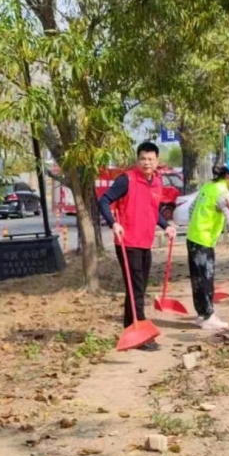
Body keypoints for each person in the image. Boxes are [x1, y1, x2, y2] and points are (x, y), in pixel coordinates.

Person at [97, 141, 178, 350]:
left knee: (136, 288)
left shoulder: (157, 182)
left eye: (150, 159)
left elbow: (153, 211)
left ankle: (130, 329)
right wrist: (113, 223)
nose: (146, 162)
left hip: (145, 242)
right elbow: (103, 201)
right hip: (127, 242)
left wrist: (165, 225)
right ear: (137, 159)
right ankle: (140, 334)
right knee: (137, 288)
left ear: (157, 161)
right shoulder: (127, 180)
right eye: (143, 158)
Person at [185, 160, 229, 331]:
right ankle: (208, 316)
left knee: (197, 279)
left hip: (192, 238)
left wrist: (197, 225)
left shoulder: (208, 187)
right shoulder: (222, 193)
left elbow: (191, 209)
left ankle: (202, 314)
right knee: (206, 279)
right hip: (204, 241)